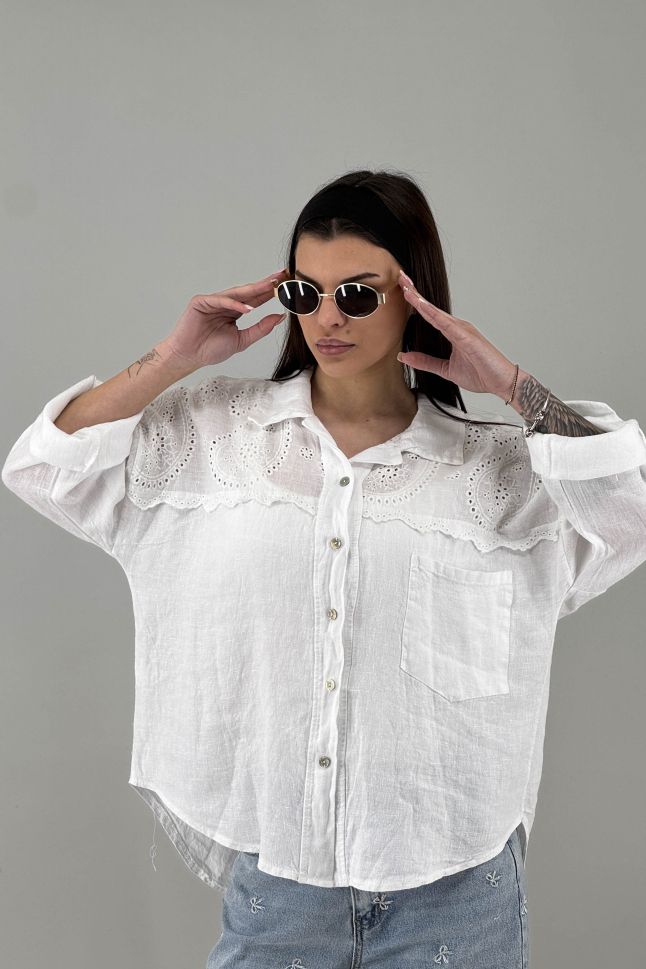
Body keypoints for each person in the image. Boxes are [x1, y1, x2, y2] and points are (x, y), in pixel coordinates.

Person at [3, 170, 646, 969]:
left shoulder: (504, 471)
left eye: (359, 295)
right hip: (282, 888)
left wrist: (514, 387)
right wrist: (172, 358)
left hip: (458, 886)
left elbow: (632, 508)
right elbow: (42, 466)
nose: (328, 317)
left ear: (416, 297)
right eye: (306, 293)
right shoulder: (214, 438)